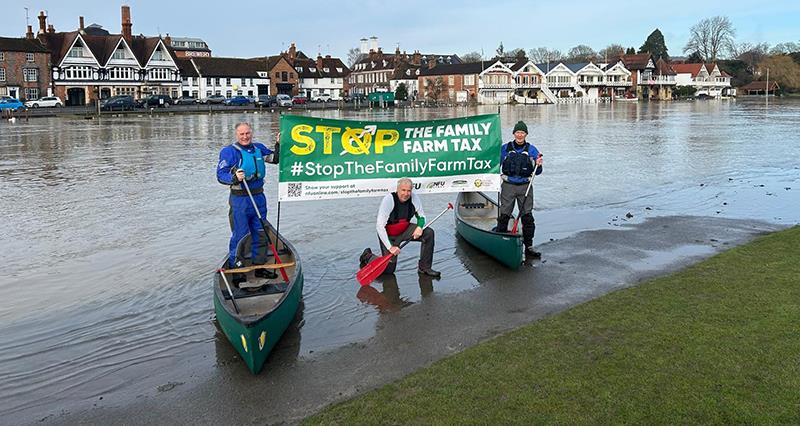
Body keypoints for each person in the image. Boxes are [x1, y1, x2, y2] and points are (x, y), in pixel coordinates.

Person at [216, 122, 280, 280]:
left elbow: (274, 159)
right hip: (240, 200)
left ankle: (259, 266)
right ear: (236, 135)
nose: (245, 137)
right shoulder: (229, 152)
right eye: (241, 134)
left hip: (258, 197)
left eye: (247, 133)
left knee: (261, 233)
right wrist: (234, 177)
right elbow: (220, 175)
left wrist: (279, 143)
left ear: (251, 133)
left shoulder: (258, 148)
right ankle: (237, 270)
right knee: (241, 234)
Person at [359, 178, 440, 278]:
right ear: (398, 189)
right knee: (389, 270)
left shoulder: (414, 198)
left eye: (409, 191)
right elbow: (379, 226)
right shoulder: (388, 200)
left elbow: (421, 216)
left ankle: (424, 268)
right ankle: (367, 256)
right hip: (389, 236)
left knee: (428, 233)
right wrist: (390, 247)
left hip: (405, 230)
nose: (406, 194)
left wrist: (419, 227)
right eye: (403, 190)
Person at [496, 120, 543, 259]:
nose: (520, 135)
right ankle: (500, 244)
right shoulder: (505, 148)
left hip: (525, 187)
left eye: (522, 132)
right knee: (504, 214)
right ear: (514, 134)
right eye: (518, 132)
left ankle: (529, 247)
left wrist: (539, 164)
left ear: (526, 134)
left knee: (527, 216)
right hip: (508, 186)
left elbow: (538, 171)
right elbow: (494, 164)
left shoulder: (532, 150)